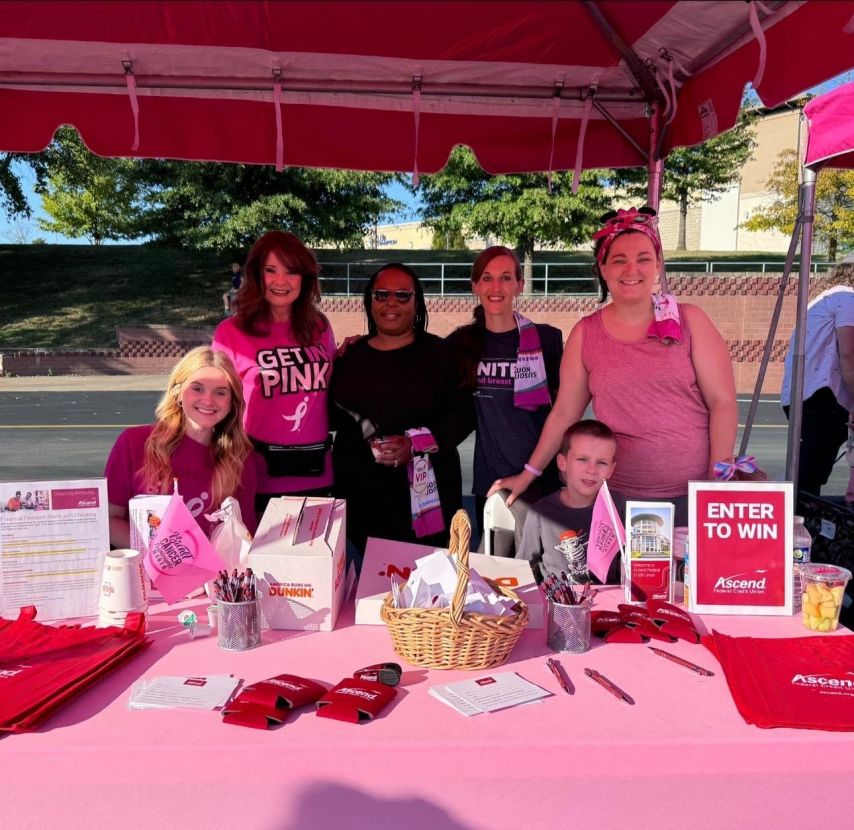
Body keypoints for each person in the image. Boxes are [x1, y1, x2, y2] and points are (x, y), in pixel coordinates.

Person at [492, 207, 737, 526]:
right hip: (619, 499)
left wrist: (717, 483)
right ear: (603, 269)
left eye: (643, 258)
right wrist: (529, 474)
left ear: (658, 265)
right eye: (619, 259)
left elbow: (723, 402)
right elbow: (566, 413)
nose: (631, 269)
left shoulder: (691, 320)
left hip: (694, 497)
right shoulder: (586, 333)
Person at [330, 263, 469, 555]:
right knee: (369, 590)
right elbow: (333, 417)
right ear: (369, 302)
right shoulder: (350, 357)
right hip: (363, 498)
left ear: (416, 302)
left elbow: (462, 414)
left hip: (427, 499)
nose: (391, 302)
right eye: (381, 295)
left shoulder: (440, 354)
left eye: (402, 295)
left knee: (427, 588)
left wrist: (415, 444)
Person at [445, 246, 563, 545]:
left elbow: (565, 412)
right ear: (475, 285)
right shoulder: (461, 344)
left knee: (542, 574)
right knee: (497, 576)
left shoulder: (547, 339)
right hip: (492, 482)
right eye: (487, 278)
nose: (496, 287)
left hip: (541, 478)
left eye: (506, 277)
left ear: (519, 285)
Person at [212, 231, 336, 510]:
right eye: (271, 270)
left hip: (318, 474)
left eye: (291, 271)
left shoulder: (319, 326)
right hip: (256, 477)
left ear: (305, 278)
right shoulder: (231, 332)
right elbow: (215, 403)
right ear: (257, 275)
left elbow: (334, 382)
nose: (281, 281)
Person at [104, 346, 258, 548]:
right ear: (177, 393)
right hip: (146, 572)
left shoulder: (241, 459)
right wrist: (160, 556)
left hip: (210, 576)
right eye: (197, 388)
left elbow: (244, 538)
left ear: (232, 403)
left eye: (220, 393)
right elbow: (109, 520)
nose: (208, 400)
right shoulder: (134, 443)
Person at [518, 419, 626, 584]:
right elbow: (521, 567)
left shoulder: (619, 506)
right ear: (562, 463)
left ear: (611, 470)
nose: (592, 470)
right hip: (558, 604)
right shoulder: (540, 513)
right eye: (582, 459)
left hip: (609, 603)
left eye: (602, 462)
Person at [781, 263, 854, 497]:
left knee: (808, 469)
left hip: (800, 393)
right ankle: (795, 519)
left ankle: (797, 516)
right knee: (808, 475)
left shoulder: (822, 299)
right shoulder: (847, 298)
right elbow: (848, 353)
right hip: (823, 394)